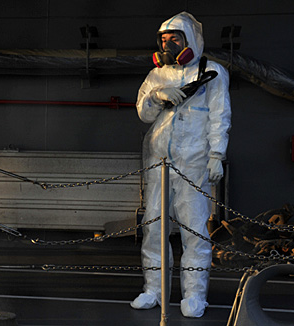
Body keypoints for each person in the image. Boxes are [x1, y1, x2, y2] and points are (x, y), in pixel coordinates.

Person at [132, 12, 231, 318]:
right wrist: (156, 96)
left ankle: (194, 295)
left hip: (194, 163)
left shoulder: (211, 71)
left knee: (194, 230)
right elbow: (143, 114)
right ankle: (153, 290)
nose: (168, 45)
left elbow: (219, 116)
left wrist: (217, 155)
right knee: (154, 229)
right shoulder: (157, 75)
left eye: (175, 39)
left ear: (190, 40)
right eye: (164, 40)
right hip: (159, 160)